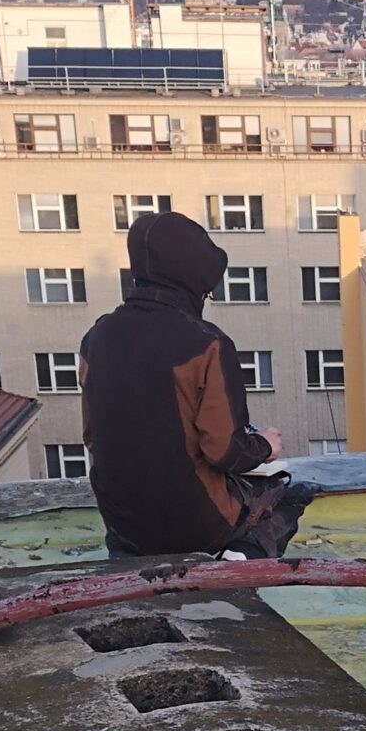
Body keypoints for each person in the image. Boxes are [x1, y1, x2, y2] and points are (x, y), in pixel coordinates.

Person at [78, 209, 311, 559]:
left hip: (123, 523)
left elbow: (92, 437)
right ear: (194, 281)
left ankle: (129, 558)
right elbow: (224, 451)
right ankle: (243, 556)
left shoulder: (96, 338)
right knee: (289, 495)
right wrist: (265, 445)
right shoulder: (207, 344)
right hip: (196, 524)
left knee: (138, 532)